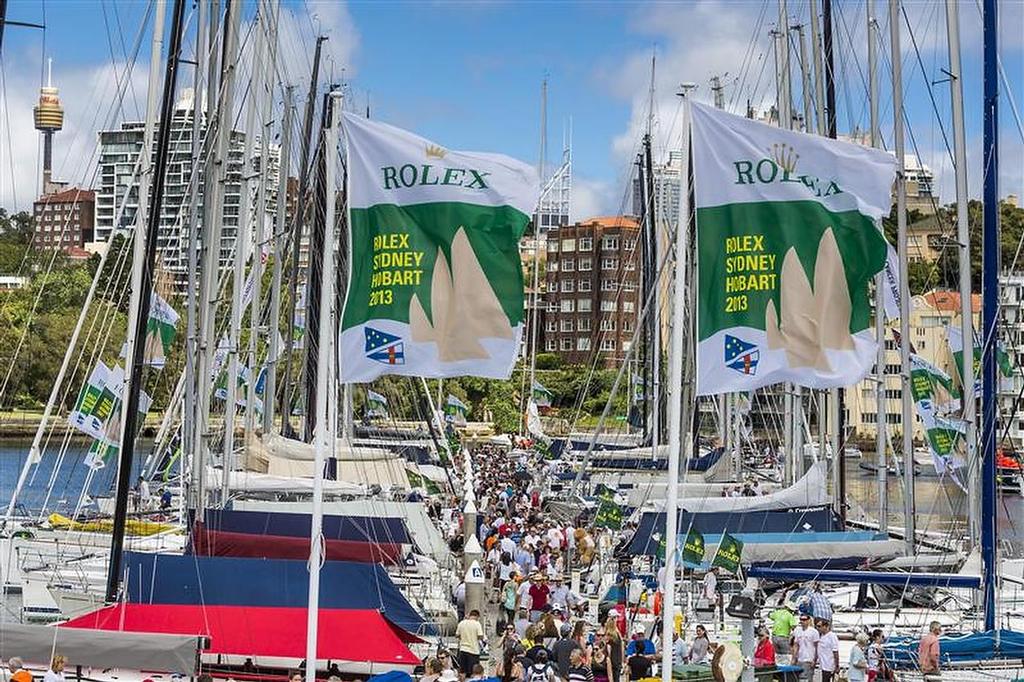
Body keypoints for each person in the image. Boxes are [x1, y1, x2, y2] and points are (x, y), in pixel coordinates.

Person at [456, 609, 486, 680]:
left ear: (469, 615)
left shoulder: (462, 623)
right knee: (474, 673)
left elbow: (457, 635)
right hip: (473, 651)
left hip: (463, 650)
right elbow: (480, 636)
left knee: (462, 672)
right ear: (477, 616)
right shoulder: (477, 624)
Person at [790, 613, 819, 681]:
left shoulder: (814, 632)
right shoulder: (797, 630)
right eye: (801, 619)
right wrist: (794, 658)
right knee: (798, 678)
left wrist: (814, 660)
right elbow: (796, 644)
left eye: (804, 619)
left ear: (809, 620)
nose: (802, 621)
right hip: (799, 659)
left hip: (809, 659)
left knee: (807, 678)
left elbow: (817, 646)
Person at [602, 616, 624, 682]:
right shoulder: (617, 635)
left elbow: (609, 649)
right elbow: (622, 647)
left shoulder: (609, 636)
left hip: (611, 662)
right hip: (618, 661)